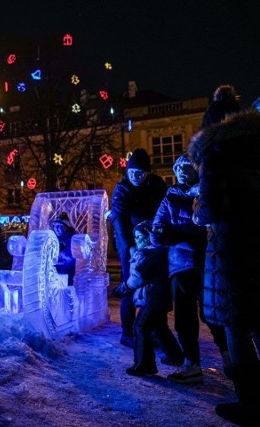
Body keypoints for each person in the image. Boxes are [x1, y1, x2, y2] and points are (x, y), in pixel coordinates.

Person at [188, 101, 260, 424]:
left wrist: (196, 210)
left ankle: (251, 402)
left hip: (232, 255)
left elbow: (213, 209)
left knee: (236, 326)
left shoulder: (216, 154)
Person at [152, 155, 229, 384]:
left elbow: (211, 226)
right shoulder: (170, 196)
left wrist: (178, 235)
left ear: (197, 169)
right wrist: (184, 235)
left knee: (212, 312)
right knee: (184, 317)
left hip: (207, 262)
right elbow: (158, 231)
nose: (182, 171)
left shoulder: (205, 193)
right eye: (178, 168)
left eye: (187, 167)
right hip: (180, 265)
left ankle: (229, 355)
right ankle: (191, 363)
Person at [110, 147, 168, 348]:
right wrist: (129, 249)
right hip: (130, 242)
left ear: (148, 173)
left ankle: (153, 331)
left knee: (153, 287)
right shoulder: (122, 188)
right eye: (132, 172)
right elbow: (119, 220)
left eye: (141, 173)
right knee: (129, 282)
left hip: (152, 241)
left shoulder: (157, 185)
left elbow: (163, 210)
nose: (136, 176)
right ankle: (127, 333)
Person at [114, 221, 183, 377]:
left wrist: (122, 289)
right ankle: (175, 356)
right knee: (159, 328)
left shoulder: (148, 254)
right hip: (160, 298)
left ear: (148, 237)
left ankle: (144, 365)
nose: (137, 240)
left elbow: (137, 277)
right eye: (135, 237)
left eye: (139, 237)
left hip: (152, 299)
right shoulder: (159, 252)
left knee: (140, 327)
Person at [52, 212, 76, 286]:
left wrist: (57, 256)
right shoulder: (54, 239)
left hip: (68, 272)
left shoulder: (72, 239)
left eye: (59, 225)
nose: (56, 228)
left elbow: (70, 256)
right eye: (54, 226)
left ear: (66, 227)